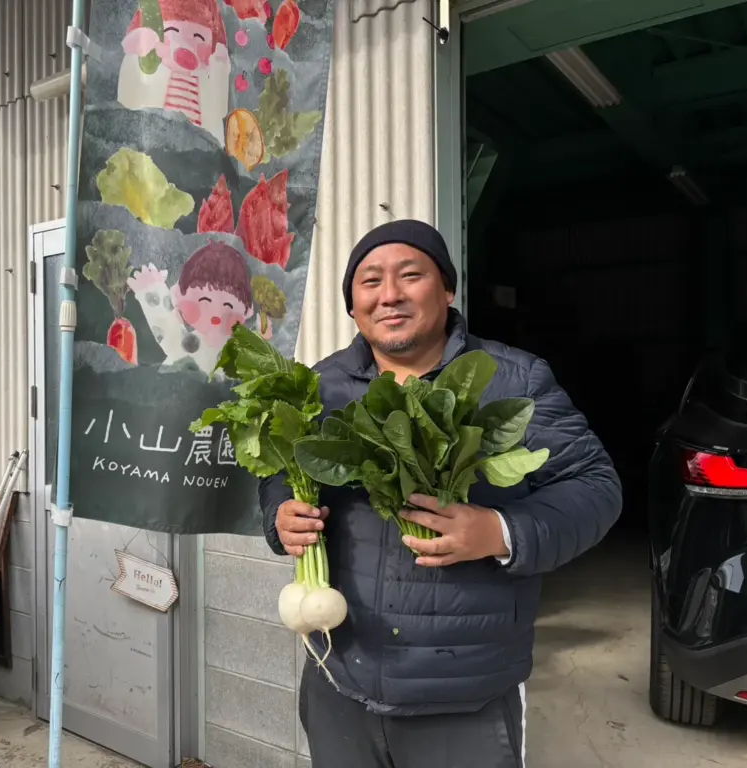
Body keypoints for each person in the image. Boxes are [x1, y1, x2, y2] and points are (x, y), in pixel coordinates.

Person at [258, 219, 622, 768]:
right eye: (370, 282)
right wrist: (279, 512)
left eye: (411, 275)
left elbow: (596, 486)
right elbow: (281, 472)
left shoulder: (514, 379)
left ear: (447, 290)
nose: (390, 295)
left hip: (465, 692)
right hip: (340, 674)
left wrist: (499, 532)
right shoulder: (321, 386)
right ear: (353, 306)